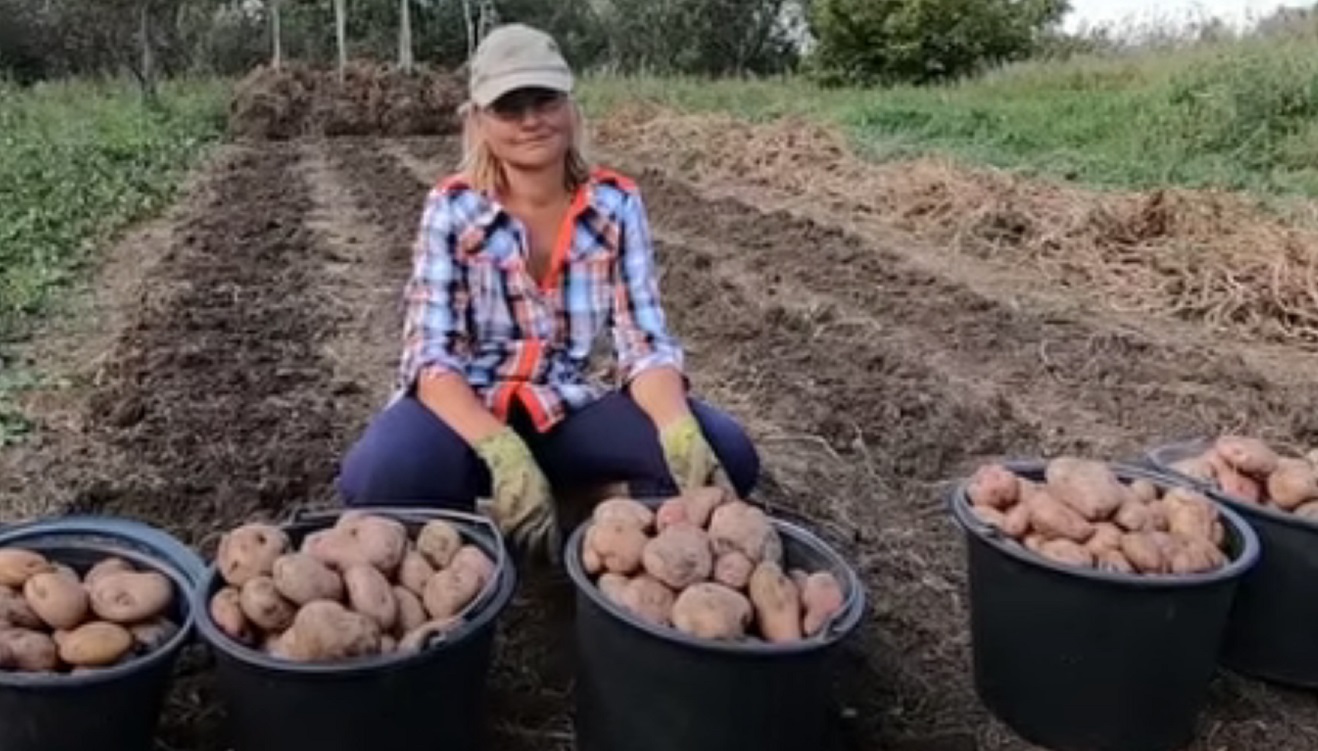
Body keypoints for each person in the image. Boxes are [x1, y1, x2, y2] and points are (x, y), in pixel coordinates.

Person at [336, 23, 760, 563]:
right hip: (473, 403)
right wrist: (499, 447)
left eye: (545, 100)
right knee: (381, 476)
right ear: (479, 121)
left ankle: (582, 505)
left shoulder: (616, 204)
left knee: (727, 454)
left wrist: (678, 430)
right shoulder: (452, 207)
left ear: (570, 106)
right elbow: (429, 354)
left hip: (568, 404)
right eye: (510, 107)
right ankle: (483, 521)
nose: (531, 120)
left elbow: (643, 341)